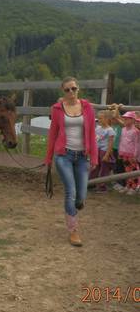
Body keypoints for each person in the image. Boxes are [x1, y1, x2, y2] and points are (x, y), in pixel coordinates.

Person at [44, 77, 98, 247]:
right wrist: (48, 158)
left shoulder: (88, 108)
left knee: (81, 197)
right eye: (67, 89)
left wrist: (94, 157)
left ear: (78, 88)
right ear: (63, 91)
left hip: (82, 156)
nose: (71, 92)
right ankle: (73, 231)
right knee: (71, 191)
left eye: (73, 88)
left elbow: (92, 134)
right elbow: (53, 134)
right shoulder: (57, 109)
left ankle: (76, 206)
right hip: (63, 155)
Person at [90, 111, 115, 193]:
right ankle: (91, 183)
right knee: (95, 167)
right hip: (97, 150)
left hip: (104, 151)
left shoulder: (110, 130)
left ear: (107, 119)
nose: (99, 120)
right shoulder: (98, 128)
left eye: (101, 118)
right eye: (98, 118)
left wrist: (107, 155)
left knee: (104, 169)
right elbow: (95, 139)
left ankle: (102, 187)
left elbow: (110, 144)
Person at [117, 111, 140, 195]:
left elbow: (137, 144)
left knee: (133, 171)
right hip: (124, 153)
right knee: (127, 170)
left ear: (133, 120)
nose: (125, 120)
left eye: (127, 119)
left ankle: (134, 187)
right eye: (124, 119)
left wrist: (135, 155)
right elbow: (121, 141)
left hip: (131, 155)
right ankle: (128, 185)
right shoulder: (123, 129)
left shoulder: (135, 131)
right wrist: (120, 151)